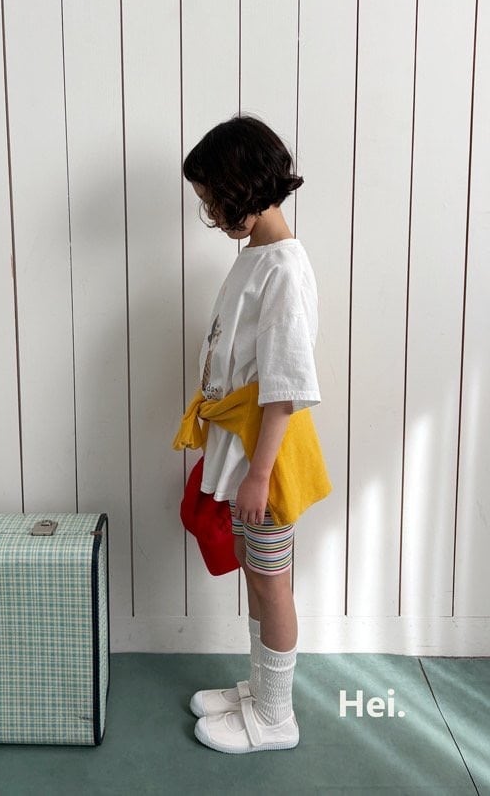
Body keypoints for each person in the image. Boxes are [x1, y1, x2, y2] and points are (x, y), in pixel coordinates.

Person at [174, 114, 331, 754]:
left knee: (271, 581)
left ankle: (275, 718)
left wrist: (259, 476)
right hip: (242, 448)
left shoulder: (284, 268)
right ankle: (260, 690)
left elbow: (285, 387)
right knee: (256, 571)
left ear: (245, 187)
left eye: (215, 201)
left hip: (265, 456)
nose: (212, 215)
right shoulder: (257, 258)